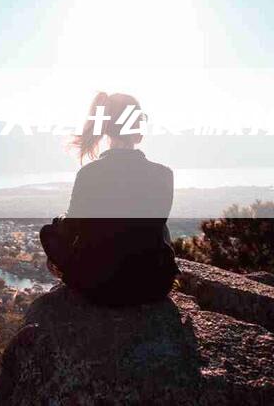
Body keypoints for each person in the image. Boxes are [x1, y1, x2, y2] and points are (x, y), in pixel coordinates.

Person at [40, 92, 178, 306]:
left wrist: (60, 221)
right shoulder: (164, 174)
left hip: (98, 286)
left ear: (105, 129)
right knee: (160, 229)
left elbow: (72, 228)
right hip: (153, 285)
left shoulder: (90, 173)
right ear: (138, 131)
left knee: (49, 233)